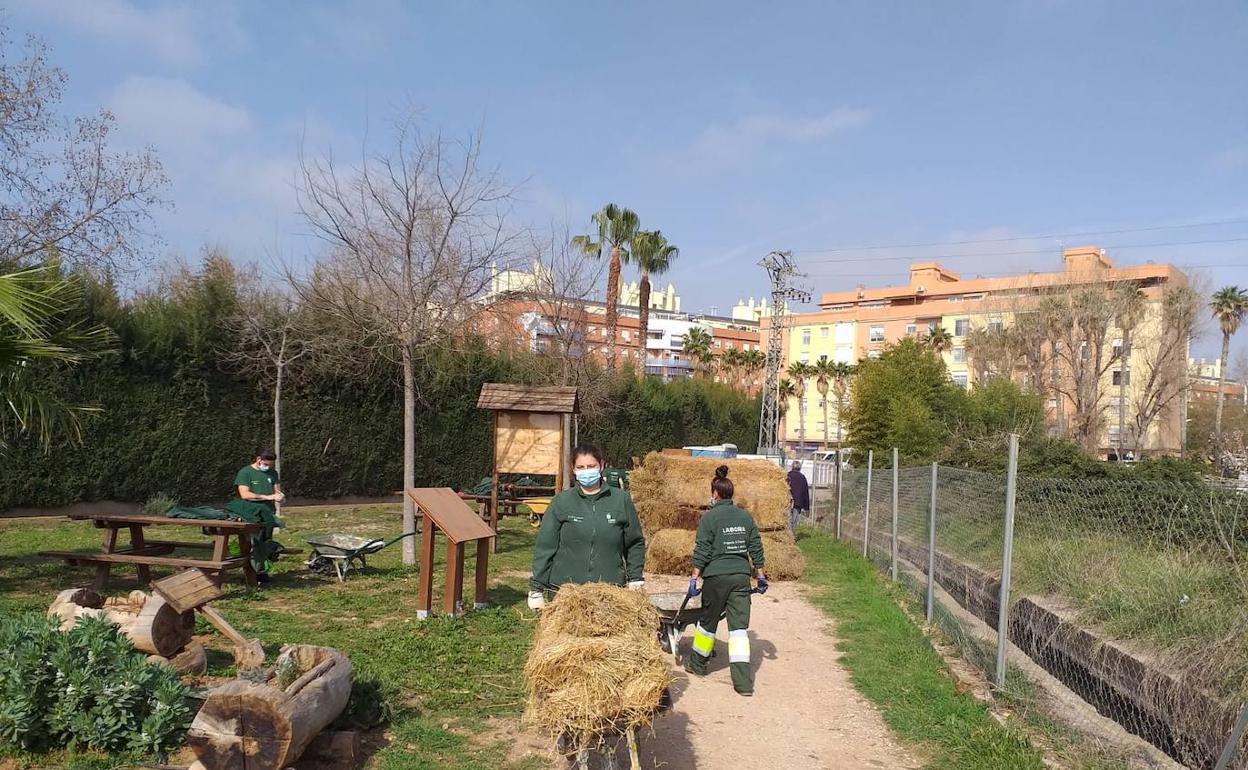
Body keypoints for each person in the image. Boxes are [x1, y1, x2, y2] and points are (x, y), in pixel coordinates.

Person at [528, 444, 647, 609]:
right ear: (573, 469)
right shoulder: (562, 502)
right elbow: (545, 547)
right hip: (565, 592)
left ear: (602, 466)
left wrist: (635, 578)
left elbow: (634, 542)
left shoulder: (620, 500)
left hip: (609, 592)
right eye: (580, 467)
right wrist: (536, 588)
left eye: (591, 466)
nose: (586, 471)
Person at [685, 465, 766, 696]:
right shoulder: (745, 517)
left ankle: (698, 665)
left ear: (715, 494)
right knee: (739, 630)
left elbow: (702, 550)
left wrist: (694, 577)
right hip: (741, 578)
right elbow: (756, 548)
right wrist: (760, 576)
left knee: (708, 624)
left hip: (716, 577)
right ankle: (743, 684)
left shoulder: (709, 518)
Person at [225, 449, 286, 584]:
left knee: (266, 542)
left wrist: (280, 496)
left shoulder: (272, 473)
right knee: (253, 544)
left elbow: (276, 490)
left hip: (268, 514)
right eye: (266, 464)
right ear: (258, 459)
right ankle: (251, 573)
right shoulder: (245, 472)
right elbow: (245, 494)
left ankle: (263, 572)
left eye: (270, 465)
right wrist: (267, 497)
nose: (268, 467)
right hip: (251, 513)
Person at [787, 460, 810, 533]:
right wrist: (806, 507)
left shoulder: (787, 476)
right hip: (798, 503)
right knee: (794, 520)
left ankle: (788, 536)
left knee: (788, 520)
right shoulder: (802, 478)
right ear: (800, 468)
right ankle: (792, 536)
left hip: (788, 501)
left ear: (792, 467)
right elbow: (805, 493)